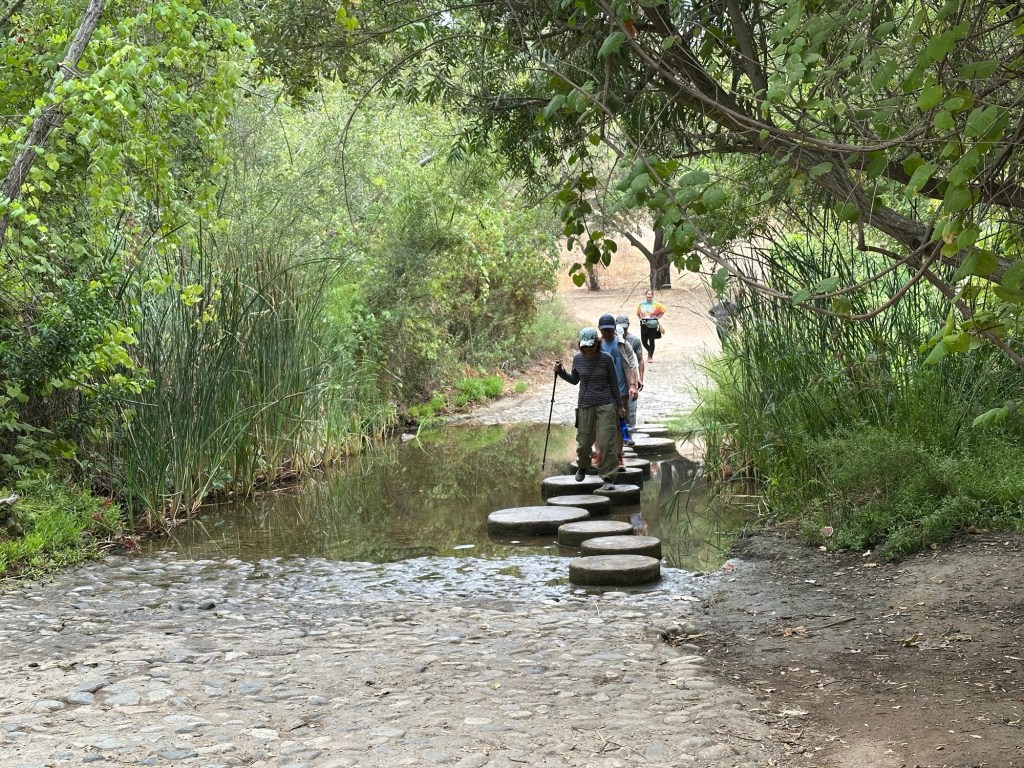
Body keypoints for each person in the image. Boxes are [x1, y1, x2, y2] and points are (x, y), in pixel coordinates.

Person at [554, 327, 625, 491]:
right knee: (584, 441)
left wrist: (620, 405)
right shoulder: (578, 359)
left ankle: (608, 476)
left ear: (597, 343)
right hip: (585, 403)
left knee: (607, 442)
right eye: (584, 346)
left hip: (606, 403)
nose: (588, 349)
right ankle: (583, 465)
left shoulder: (606, 359)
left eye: (591, 346)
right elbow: (574, 380)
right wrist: (561, 372)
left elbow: (614, 383)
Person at [597, 313, 639, 465]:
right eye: (604, 330)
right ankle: (600, 456)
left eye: (610, 330)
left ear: (614, 328)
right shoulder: (596, 345)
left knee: (619, 423)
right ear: (599, 329)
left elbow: (632, 365)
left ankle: (619, 456)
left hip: (621, 391)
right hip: (601, 391)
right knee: (599, 425)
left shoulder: (623, 344)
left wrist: (633, 386)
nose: (607, 333)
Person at [615, 313, 644, 438]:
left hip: (631, 375)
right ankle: (620, 433)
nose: (623, 329)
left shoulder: (634, 340)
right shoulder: (612, 340)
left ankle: (630, 432)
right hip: (617, 375)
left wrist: (641, 378)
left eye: (625, 327)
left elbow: (640, 360)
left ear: (628, 326)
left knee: (631, 405)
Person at [636, 289, 667, 363]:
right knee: (643, 341)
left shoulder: (656, 304)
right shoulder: (641, 304)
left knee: (651, 340)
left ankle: (650, 356)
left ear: (652, 295)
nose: (649, 295)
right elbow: (638, 313)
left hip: (653, 323)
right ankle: (650, 351)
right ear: (646, 295)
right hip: (644, 323)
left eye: (651, 294)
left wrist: (658, 317)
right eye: (648, 294)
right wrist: (640, 319)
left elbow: (663, 310)